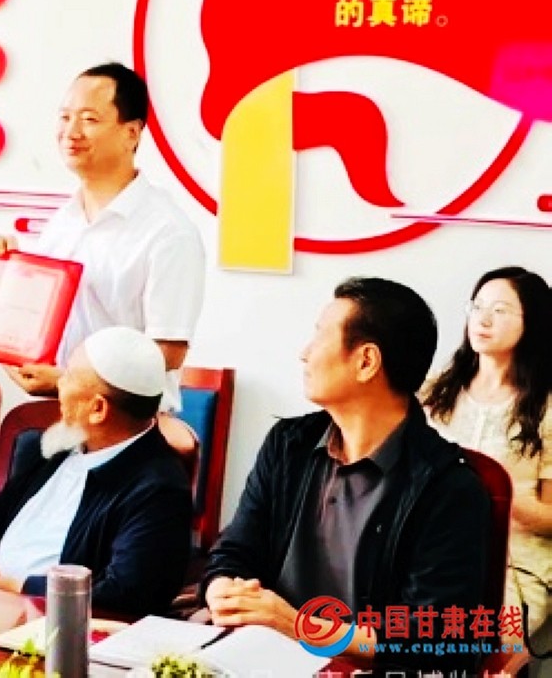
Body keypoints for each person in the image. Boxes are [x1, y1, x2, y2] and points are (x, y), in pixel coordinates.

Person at [202, 277, 491, 672]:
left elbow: (432, 636)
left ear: (366, 361)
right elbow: (235, 552)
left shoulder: (447, 488)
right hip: (260, 660)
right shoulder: (288, 445)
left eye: (320, 336)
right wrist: (224, 591)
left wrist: (298, 626)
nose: (305, 353)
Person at [0, 63, 204, 412]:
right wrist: (4, 271)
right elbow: (37, 324)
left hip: (129, 425)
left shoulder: (168, 232)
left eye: (89, 119)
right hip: (59, 415)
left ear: (131, 133)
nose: (71, 132)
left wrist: (73, 379)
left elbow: (168, 352)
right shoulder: (63, 221)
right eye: (65, 117)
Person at [0, 326, 193, 618]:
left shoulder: (160, 489)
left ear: (97, 409)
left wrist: (19, 587)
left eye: (69, 376)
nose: (59, 384)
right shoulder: (61, 444)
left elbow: (125, 592)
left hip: (61, 626)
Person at [424, 266, 552, 673]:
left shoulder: (546, 407)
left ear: (532, 322)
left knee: (486, 653)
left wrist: (497, 494)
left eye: (499, 310)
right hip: (433, 554)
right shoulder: (435, 392)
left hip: (514, 565)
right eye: (477, 307)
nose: (483, 319)